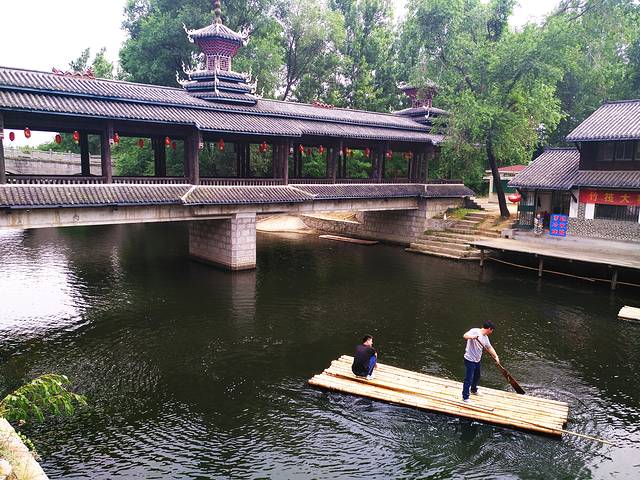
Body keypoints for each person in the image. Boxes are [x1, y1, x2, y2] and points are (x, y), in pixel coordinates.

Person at [461, 321, 500, 402]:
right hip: (469, 359)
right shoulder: (475, 331)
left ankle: (473, 390)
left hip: (477, 360)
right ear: (489, 329)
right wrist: (472, 337)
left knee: (477, 376)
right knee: (469, 379)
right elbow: (465, 335)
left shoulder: (485, 338)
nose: (491, 332)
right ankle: (465, 397)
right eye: (492, 330)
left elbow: (489, 347)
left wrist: (496, 356)